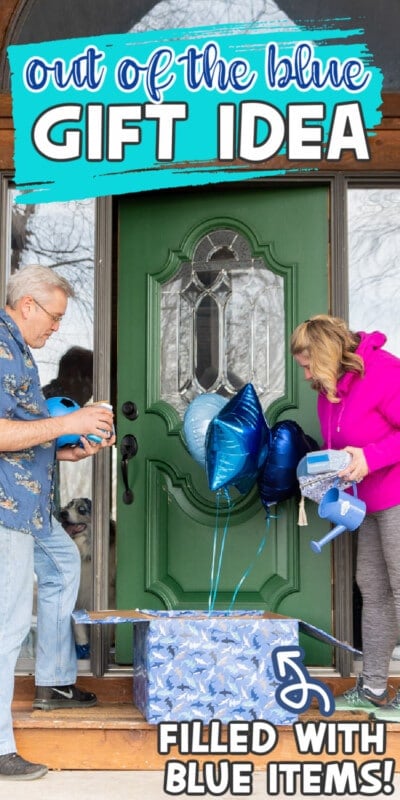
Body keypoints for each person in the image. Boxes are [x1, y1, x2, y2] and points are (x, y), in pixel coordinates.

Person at [0, 265, 115, 780]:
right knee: (5, 626)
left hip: (28, 502)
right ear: (27, 305)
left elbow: (22, 431)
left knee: (65, 562)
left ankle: (52, 681)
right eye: (53, 316)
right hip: (5, 506)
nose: (56, 328)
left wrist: (65, 450)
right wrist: (69, 421)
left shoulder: (19, 348)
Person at [291, 314, 400, 722]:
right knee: (372, 587)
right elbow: (341, 441)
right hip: (368, 501)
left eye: (306, 364)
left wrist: (370, 457)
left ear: (326, 353)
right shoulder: (329, 388)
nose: (304, 375)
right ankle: (372, 687)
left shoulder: (385, 372)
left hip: (398, 493)